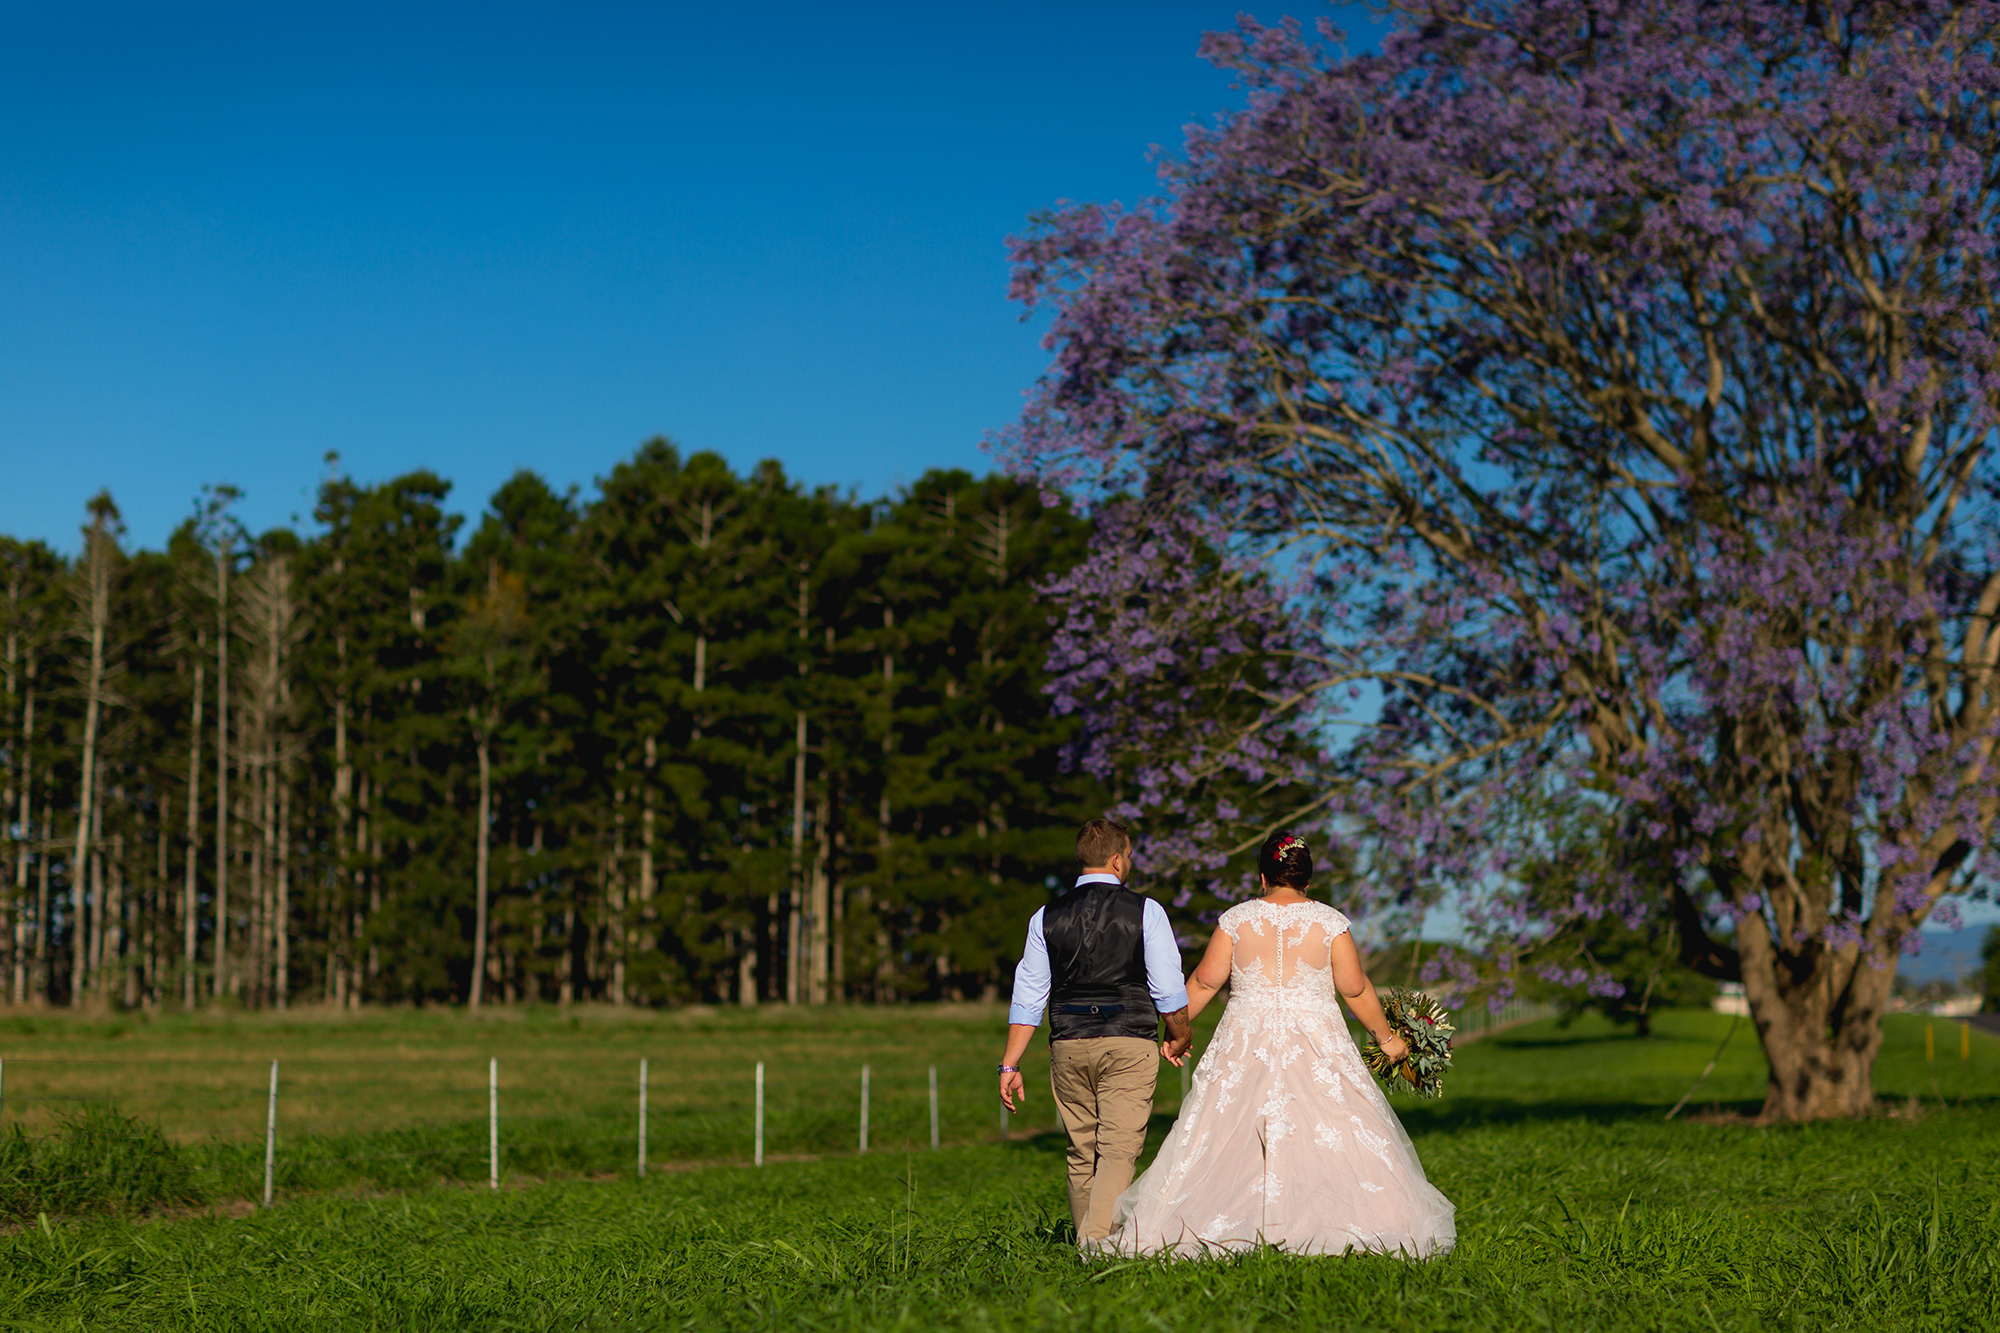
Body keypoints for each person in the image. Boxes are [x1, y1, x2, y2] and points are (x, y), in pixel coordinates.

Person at [1102, 830, 1457, 1259]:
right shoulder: (1330, 923)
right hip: (1316, 1037)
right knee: (1336, 1123)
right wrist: (1388, 1039)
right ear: (1308, 879)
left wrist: (1174, 1030)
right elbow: (1357, 990)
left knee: (1223, 1128)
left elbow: (1203, 981)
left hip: (1246, 1039)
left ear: (1262, 876)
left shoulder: (1236, 920)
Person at [997, 818, 1194, 1249]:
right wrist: (1179, 1032)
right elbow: (1167, 987)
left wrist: (1010, 1064)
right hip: (1128, 1040)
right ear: (1117, 859)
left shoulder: (1044, 917)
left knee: (1082, 1152)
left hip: (1067, 1043)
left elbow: (1028, 995)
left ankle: (1086, 1249)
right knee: (1119, 1152)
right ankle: (1094, 1248)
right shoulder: (1147, 911)